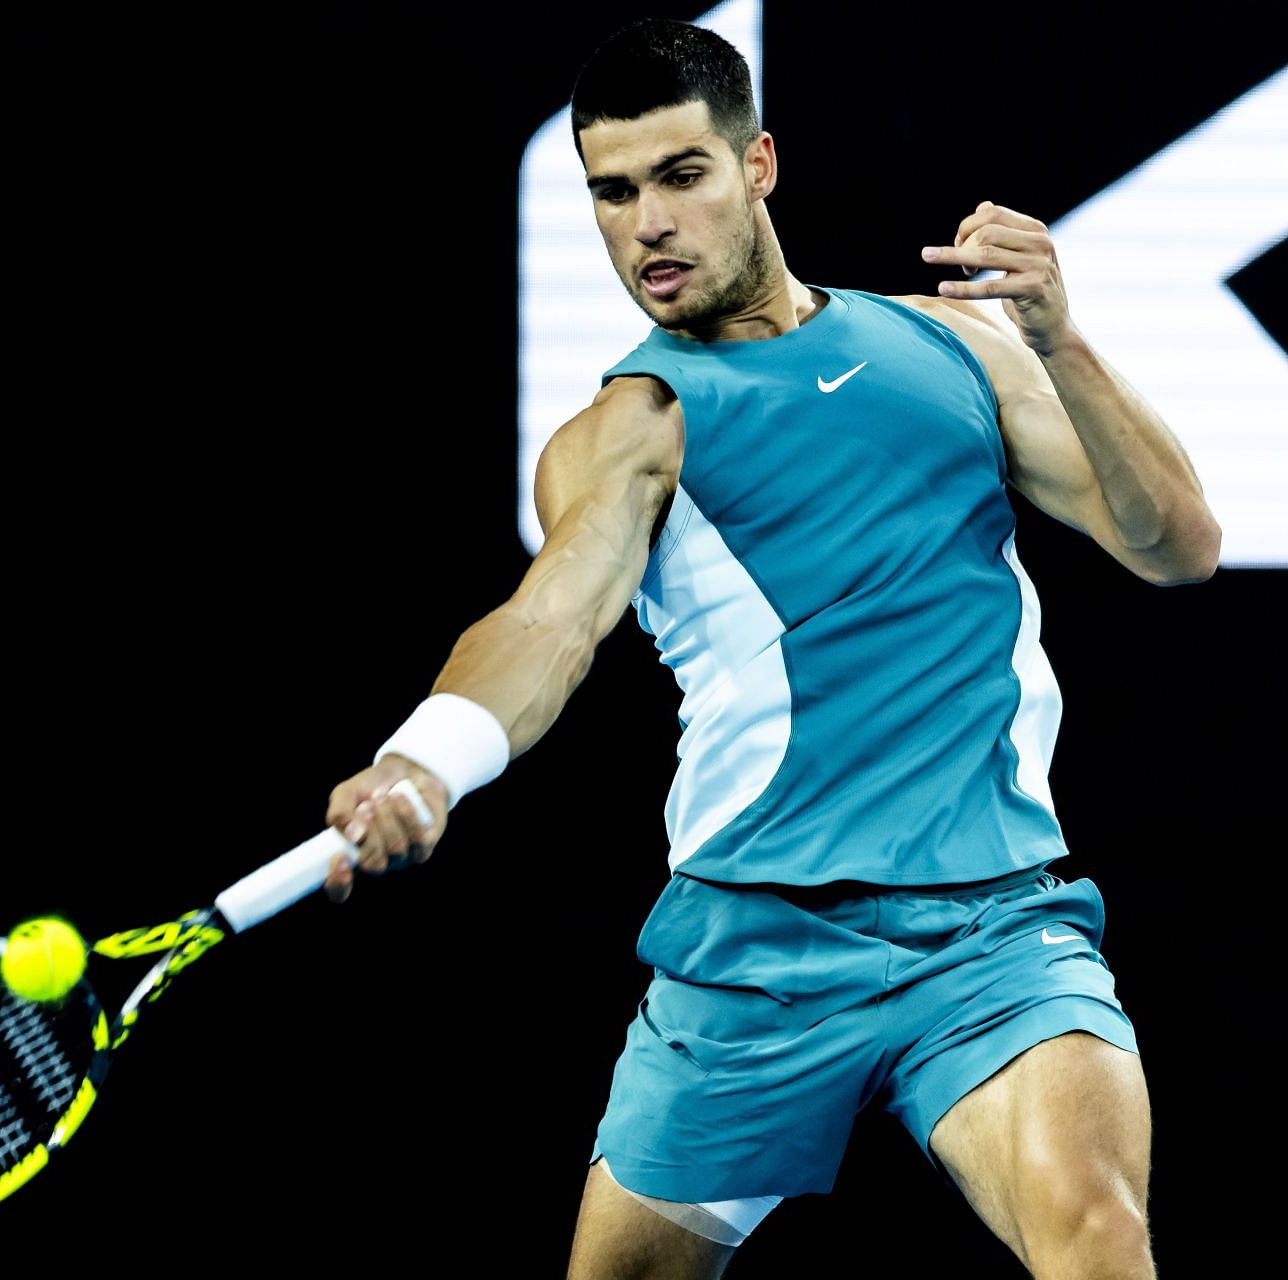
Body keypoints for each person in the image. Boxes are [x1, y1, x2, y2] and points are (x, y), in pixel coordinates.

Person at [316, 16, 1217, 1280]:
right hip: (753, 959)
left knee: (1099, 1237)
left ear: (760, 166)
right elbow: (547, 621)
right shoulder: (629, 432)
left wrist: (1062, 340)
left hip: (994, 928)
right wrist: (425, 757)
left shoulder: (954, 344)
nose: (647, 225)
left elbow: (1176, 543)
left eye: (680, 176)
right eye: (613, 193)